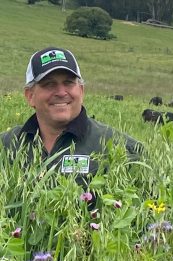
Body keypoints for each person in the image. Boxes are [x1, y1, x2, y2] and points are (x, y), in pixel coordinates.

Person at [0, 46, 143, 205]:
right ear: (30, 96)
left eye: (68, 83)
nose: (61, 92)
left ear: (81, 91)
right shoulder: (6, 146)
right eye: (49, 84)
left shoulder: (125, 149)